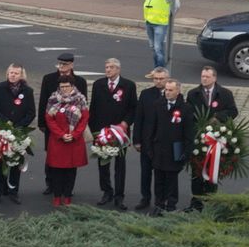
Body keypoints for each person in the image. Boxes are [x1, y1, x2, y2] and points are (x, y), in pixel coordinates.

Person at [186, 65, 238, 211]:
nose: (204, 79)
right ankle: (195, 202)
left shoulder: (225, 94)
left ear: (214, 78)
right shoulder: (193, 94)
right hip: (199, 138)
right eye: (202, 76)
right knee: (197, 171)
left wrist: (217, 118)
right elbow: (188, 112)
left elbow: (233, 111)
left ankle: (210, 200)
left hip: (216, 139)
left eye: (207, 77)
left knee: (212, 170)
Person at [88, 59, 137, 209]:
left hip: (120, 132)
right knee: (103, 163)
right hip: (102, 132)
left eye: (111, 67)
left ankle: (119, 196)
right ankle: (107, 191)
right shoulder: (98, 85)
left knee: (120, 165)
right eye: (106, 67)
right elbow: (93, 108)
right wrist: (94, 131)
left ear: (118, 69)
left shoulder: (128, 85)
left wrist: (125, 123)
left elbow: (133, 108)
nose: (108, 70)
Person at [140, 77, 190, 215]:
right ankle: (159, 204)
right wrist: (149, 148)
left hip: (175, 150)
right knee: (159, 179)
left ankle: (171, 205)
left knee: (171, 180)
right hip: (158, 150)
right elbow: (151, 127)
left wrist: (186, 152)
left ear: (178, 90)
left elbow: (188, 133)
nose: (167, 93)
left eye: (170, 90)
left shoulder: (185, 108)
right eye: (166, 90)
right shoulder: (158, 105)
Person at [0, 63, 35, 204]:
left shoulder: (28, 91)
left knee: (16, 162)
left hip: (19, 132)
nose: (13, 75)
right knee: (1, 162)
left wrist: (19, 126)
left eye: (16, 73)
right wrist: (4, 122)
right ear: (7, 73)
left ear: (21, 75)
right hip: (2, 131)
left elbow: (31, 112)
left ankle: (13, 191)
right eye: (11, 72)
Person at [43, 80, 88, 208]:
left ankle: (67, 196)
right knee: (56, 171)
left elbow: (84, 119)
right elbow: (49, 119)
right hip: (58, 141)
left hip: (74, 141)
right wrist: (61, 135)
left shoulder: (80, 99)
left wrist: (74, 135)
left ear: (72, 86)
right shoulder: (53, 99)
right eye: (62, 86)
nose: (64, 89)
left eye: (67, 86)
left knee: (71, 171)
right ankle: (57, 196)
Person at [131, 67, 169, 211]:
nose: (158, 81)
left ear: (167, 79)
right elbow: (139, 118)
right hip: (147, 141)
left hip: (163, 143)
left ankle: (161, 200)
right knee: (145, 173)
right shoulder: (145, 94)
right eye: (156, 79)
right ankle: (145, 198)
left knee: (161, 174)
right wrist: (137, 140)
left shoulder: (172, 94)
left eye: (161, 79)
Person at [143, 0, 177, 70]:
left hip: (160, 23)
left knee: (158, 48)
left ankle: (161, 70)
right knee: (153, 47)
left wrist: (169, 16)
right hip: (149, 20)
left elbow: (176, 5)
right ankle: (156, 69)